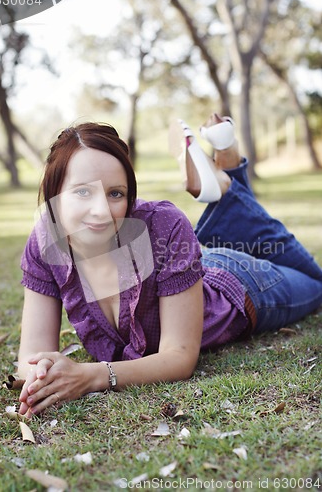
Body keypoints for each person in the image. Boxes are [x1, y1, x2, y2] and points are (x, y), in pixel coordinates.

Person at [17, 114, 322, 417]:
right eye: (83, 192)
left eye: (115, 193)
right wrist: (40, 374)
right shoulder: (45, 243)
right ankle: (226, 161)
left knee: (316, 281)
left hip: (243, 287)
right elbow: (30, 357)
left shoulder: (163, 224)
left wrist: (92, 376)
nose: (101, 211)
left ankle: (227, 181)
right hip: (188, 272)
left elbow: (179, 357)